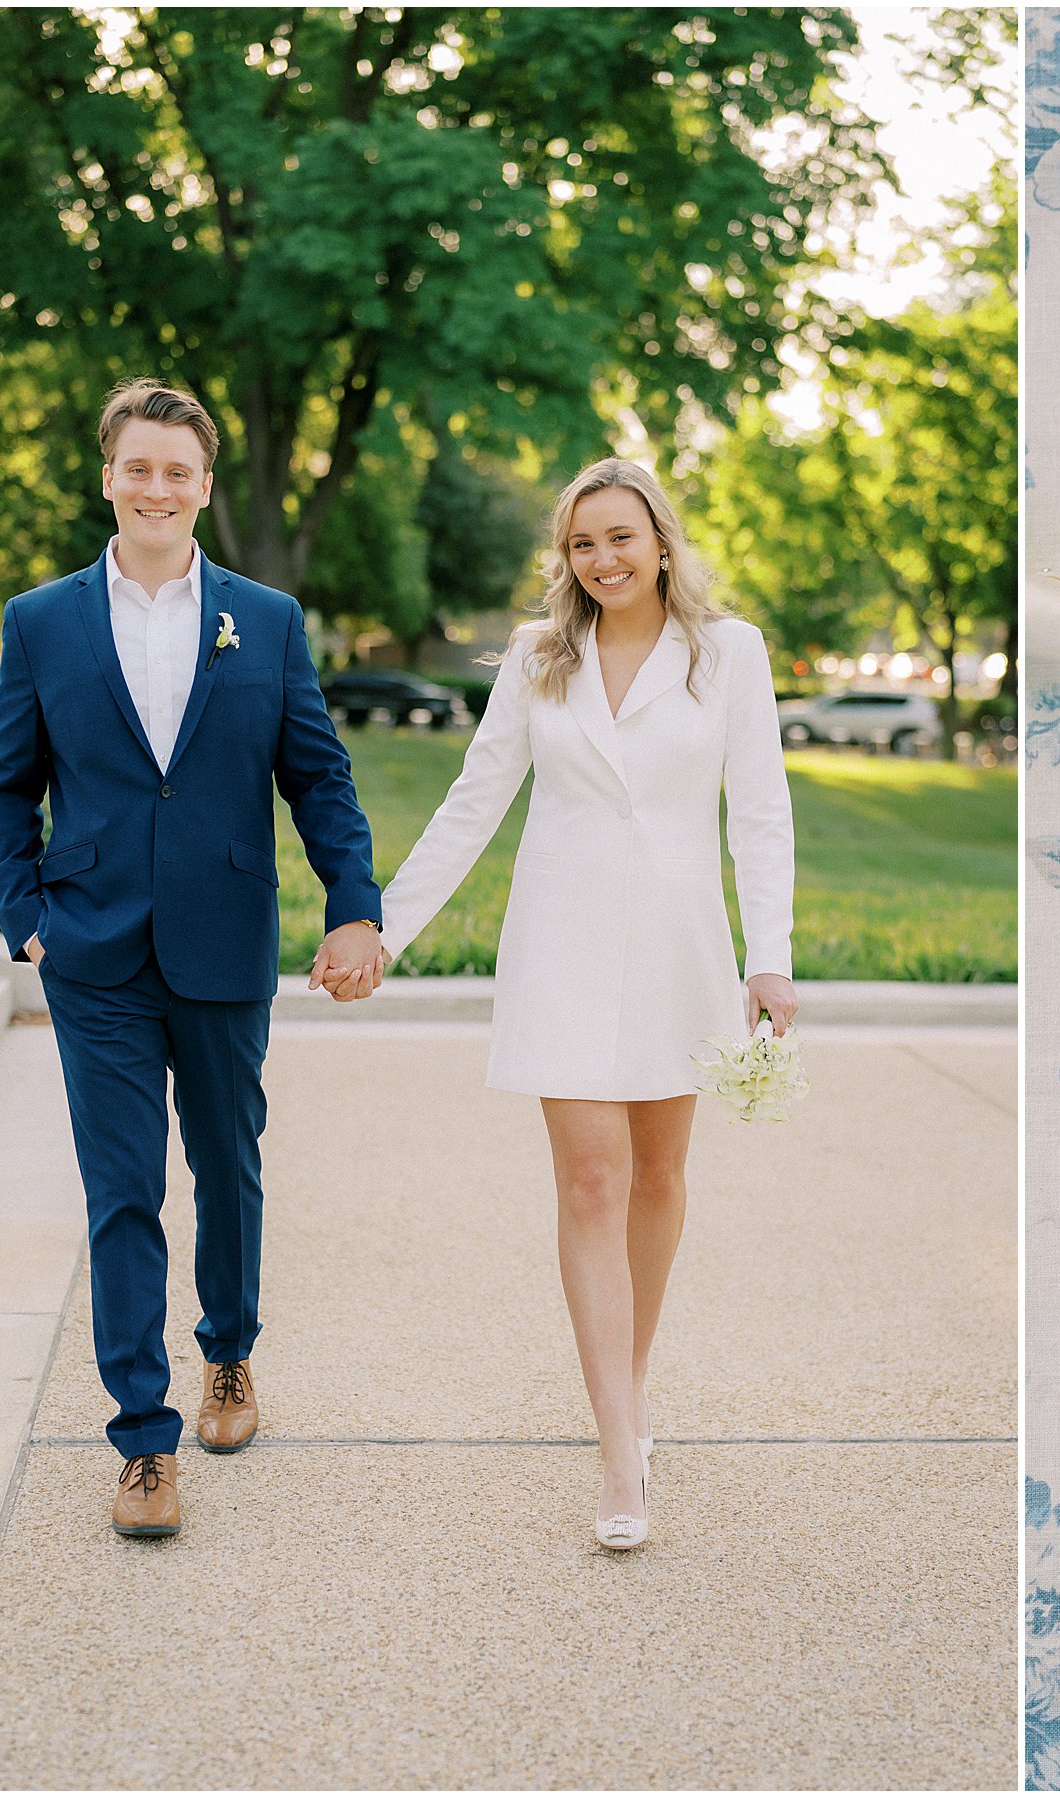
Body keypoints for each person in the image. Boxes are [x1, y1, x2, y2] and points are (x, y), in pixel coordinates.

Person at [0, 378, 386, 1539]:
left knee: (227, 1167)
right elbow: (3, 785)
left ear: (204, 487)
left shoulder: (269, 618)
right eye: (138, 467)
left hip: (223, 942)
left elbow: (319, 775)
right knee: (120, 1194)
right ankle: (143, 1441)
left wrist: (352, 906)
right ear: (107, 476)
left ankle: (230, 1357)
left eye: (179, 471)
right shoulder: (40, 620)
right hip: (91, 952)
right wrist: (28, 918)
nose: (158, 487)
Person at [378, 456, 797, 1549]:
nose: (603, 559)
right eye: (581, 543)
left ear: (661, 540)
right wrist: (385, 928)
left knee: (660, 1174)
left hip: (679, 948)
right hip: (560, 941)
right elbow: (474, 802)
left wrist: (772, 955)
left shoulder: (729, 653)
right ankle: (620, 1450)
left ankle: (629, 1384)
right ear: (564, 558)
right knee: (592, 1180)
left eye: (621, 537)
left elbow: (759, 810)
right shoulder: (537, 660)